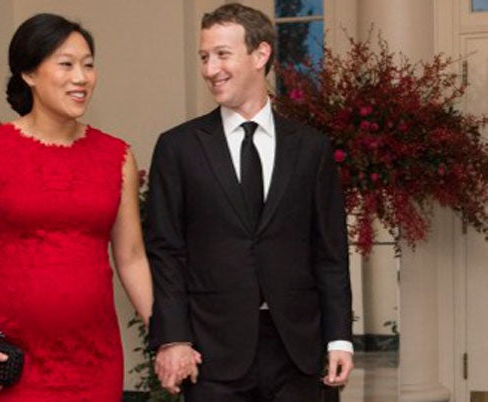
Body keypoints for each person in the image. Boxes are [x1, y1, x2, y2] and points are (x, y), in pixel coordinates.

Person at [145, 3, 353, 401]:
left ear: (260, 55)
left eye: (222, 54)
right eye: (204, 57)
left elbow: (330, 252)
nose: (210, 69)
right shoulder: (178, 148)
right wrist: (173, 338)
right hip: (212, 350)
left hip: (299, 349)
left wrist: (339, 338)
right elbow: (165, 252)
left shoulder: (311, 148)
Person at [0, 13, 152, 401]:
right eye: (66, 64)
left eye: (88, 65)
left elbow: (132, 257)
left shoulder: (117, 156)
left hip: (94, 358)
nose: (81, 77)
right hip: (11, 357)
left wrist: (164, 331)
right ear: (28, 73)